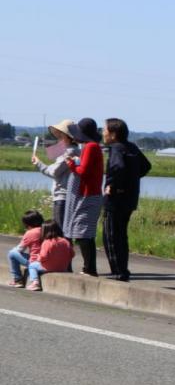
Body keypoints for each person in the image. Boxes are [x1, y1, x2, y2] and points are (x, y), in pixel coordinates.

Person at [101, 117, 152, 281]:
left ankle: (118, 272)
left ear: (113, 134)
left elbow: (118, 167)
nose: (103, 133)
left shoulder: (116, 148)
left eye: (105, 130)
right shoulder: (132, 147)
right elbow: (146, 166)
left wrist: (113, 186)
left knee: (110, 235)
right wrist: (131, 181)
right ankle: (122, 270)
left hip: (115, 199)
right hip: (130, 198)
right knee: (121, 235)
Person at [63, 117, 105, 276]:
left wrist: (71, 164)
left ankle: (90, 269)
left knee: (83, 233)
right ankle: (89, 268)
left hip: (88, 195)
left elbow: (83, 171)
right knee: (84, 233)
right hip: (91, 194)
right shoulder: (92, 146)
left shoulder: (90, 147)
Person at [32, 119, 81, 229]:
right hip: (67, 195)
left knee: (60, 230)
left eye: (60, 134)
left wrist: (39, 164)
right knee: (65, 230)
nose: (58, 136)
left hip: (62, 196)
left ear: (66, 136)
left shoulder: (70, 152)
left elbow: (54, 172)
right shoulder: (74, 149)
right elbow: (51, 154)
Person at [25, 221, 75, 291]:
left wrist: (38, 257)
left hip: (49, 267)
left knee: (32, 266)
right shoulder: (65, 241)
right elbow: (72, 254)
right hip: (63, 268)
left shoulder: (47, 242)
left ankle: (35, 283)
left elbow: (43, 257)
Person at [7, 210, 45, 287]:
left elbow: (20, 249)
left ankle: (18, 279)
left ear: (27, 224)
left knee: (12, 253)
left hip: (36, 261)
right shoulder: (46, 230)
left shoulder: (30, 233)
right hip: (48, 260)